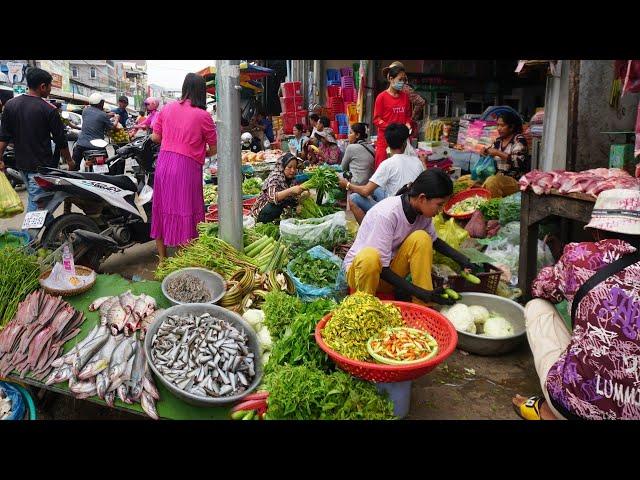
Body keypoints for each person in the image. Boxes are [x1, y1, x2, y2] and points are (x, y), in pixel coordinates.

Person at [512, 188, 640, 420]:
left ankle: (549, 411)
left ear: (599, 232)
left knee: (537, 306)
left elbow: (540, 288)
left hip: (576, 408)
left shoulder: (581, 257)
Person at [343, 168, 474, 305]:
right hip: (361, 276)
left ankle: (423, 307)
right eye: (439, 205)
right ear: (422, 198)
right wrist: (418, 291)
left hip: (386, 276)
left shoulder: (422, 213)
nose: (440, 211)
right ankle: (365, 307)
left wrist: (462, 260)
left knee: (422, 238)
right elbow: (382, 269)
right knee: (370, 257)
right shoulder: (387, 214)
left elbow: (435, 241)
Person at [150, 73, 217, 261]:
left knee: (162, 209)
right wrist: (195, 151)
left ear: (184, 88)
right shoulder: (204, 116)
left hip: (164, 164)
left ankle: (163, 261)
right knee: (187, 209)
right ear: (202, 92)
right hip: (186, 168)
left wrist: (172, 142)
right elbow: (214, 148)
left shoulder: (167, 108)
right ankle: (185, 260)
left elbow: (155, 137)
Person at [0, 67, 74, 212]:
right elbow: (60, 140)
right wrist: (70, 161)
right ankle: (28, 235)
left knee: (40, 202)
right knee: (37, 206)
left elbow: (3, 137)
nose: (50, 89)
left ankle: (54, 231)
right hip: (41, 167)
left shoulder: (10, 105)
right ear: (42, 86)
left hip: (21, 165)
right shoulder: (49, 109)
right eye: (50, 86)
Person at [339, 123, 424, 224]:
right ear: (405, 143)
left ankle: (369, 231)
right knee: (377, 189)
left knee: (353, 198)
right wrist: (423, 162)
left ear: (387, 143)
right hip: (411, 210)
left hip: (395, 214)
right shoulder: (417, 162)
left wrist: (347, 185)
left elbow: (366, 191)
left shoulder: (387, 164)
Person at [373, 62, 412, 169]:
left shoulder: (405, 97)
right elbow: (377, 119)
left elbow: (408, 116)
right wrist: (392, 129)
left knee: (401, 170)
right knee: (382, 169)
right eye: (400, 80)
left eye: (404, 80)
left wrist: (408, 124)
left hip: (401, 142)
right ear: (390, 78)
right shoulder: (381, 97)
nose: (402, 83)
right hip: (385, 140)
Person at [250, 153, 307, 223]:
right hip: (263, 211)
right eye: (289, 167)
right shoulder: (275, 177)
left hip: (279, 207)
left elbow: (293, 197)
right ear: (283, 166)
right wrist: (291, 190)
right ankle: (267, 222)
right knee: (274, 208)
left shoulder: (292, 179)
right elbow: (271, 197)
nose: (292, 170)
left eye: (295, 168)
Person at [72, 93, 116, 171]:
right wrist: (117, 119)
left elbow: (95, 116)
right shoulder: (103, 115)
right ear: (101, 103)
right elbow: (112, 128)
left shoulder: (85, 111)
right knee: (106, 167)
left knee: (74, 165)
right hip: (97, 147)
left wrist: (107, 115)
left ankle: (71, 176)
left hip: (81, 144)